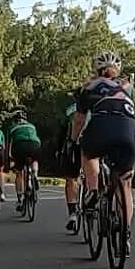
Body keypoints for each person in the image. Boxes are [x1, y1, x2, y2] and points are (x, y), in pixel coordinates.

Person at [73, 52, 135, 248]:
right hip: (129, 131)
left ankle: (92, 190)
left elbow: (79, 120)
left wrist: (74, 141)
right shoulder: (127, 87)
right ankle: (125, 234)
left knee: (88, 153)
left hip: (102, 128)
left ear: (97, 69)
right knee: (125, 184)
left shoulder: (89, 86)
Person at [6, 107, 42, 213]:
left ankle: (20, 199)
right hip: (35, 145)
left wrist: (10, 159)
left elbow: (9, 145)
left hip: (20, 146)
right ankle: (34, 174)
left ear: (14, 120)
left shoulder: (12, 127)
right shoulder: (32, 126)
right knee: (35, 160)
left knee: (19, 172)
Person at [60, 89, 82, 232]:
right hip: (100, 142)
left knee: (71, 179)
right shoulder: (99, 104)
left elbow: (62, 132)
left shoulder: (70, 110)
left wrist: (59, 150)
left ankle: (72, 214)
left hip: (75, 144)